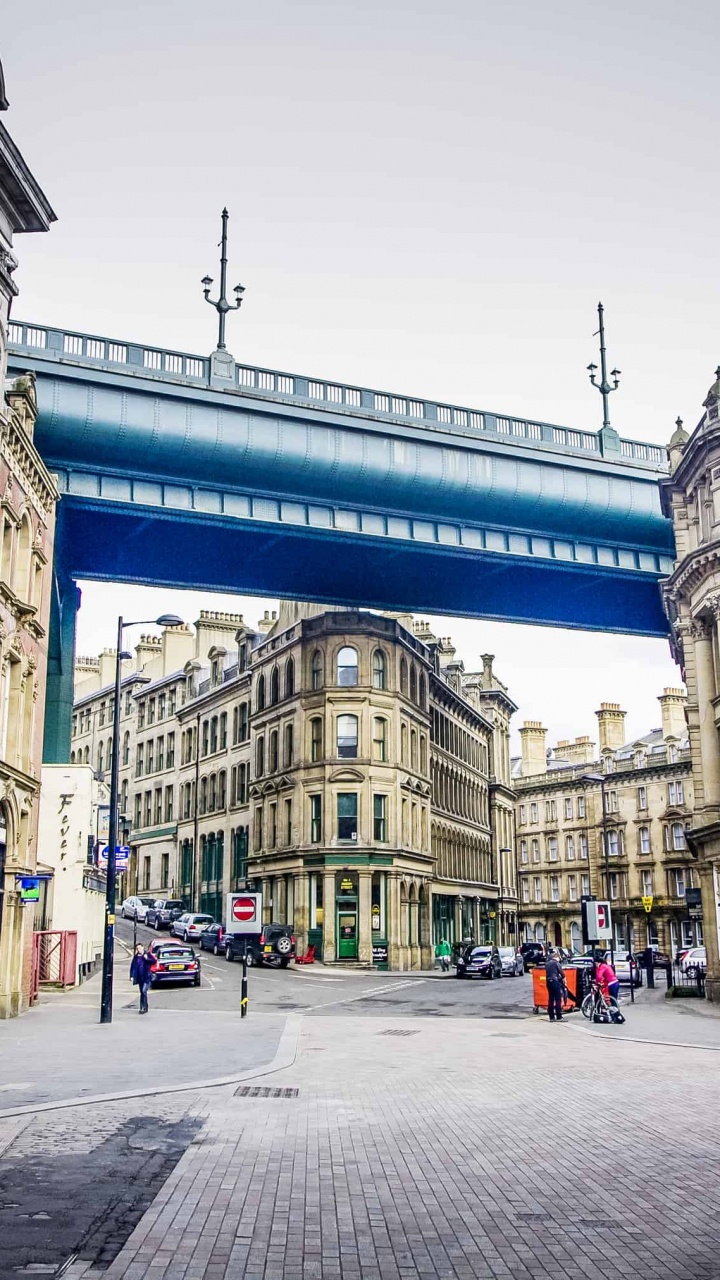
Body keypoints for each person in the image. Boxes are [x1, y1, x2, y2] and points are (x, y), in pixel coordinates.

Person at [129, 943, 154, 1014]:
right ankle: (143, 1007)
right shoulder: (136, 957)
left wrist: (147, 958)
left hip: (146, 977)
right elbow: (133, 966)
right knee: (142, 993)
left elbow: (154, 961)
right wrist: (131, 976)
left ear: (143, 948)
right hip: (140, 978)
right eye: (137, 948)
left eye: (140, 948)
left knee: (143, 991)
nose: (139, 950)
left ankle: (144, 1007)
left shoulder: (147, 954)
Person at [545, 948, 566, 1022]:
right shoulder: (556, 963)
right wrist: (563, 977)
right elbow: (561, 972)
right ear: (556, 957)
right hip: (555, 981)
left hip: (548, 982)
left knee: (551, 999)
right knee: (558, 999)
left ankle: (551, 1017)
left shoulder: (547, 963)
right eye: (558, 958)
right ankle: (559, 1016)